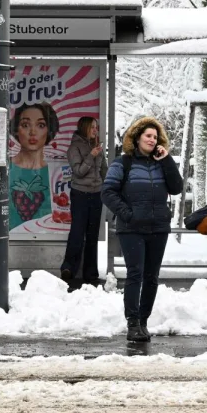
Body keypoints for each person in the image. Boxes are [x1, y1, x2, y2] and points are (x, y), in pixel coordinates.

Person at [101, 116, 183, 343]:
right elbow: (107, 192)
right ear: (137, 138)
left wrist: (167, 161)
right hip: (132, 229)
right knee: (135, 274)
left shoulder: (162, 162)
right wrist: (128, 215)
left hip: (158, 228)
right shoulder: (122, 163)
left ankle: (144, 322)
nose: (152, 139)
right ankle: (133, 323)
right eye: (148, 135)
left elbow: (177, 188)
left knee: (151, 277)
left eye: (155, 137)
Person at [61, 116, 106, 287]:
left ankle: (90, 273)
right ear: (84, 128)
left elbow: (104, 171)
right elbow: (78, 171)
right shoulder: (74, 147)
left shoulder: (97, 146)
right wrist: (91, 156)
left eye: (97, 127)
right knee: (77, 232)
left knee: (92, 234)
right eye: (93, 127)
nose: (96, 130)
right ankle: (68, 268)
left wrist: (108, 186)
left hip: (97, 194)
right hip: (80, 193)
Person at [9, 102, 58, 230]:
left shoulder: (55, 173)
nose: (33, 132)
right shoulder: (5, 169)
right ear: (16, 129)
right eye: (25, 125)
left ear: (49, 130)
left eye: (41, 125)